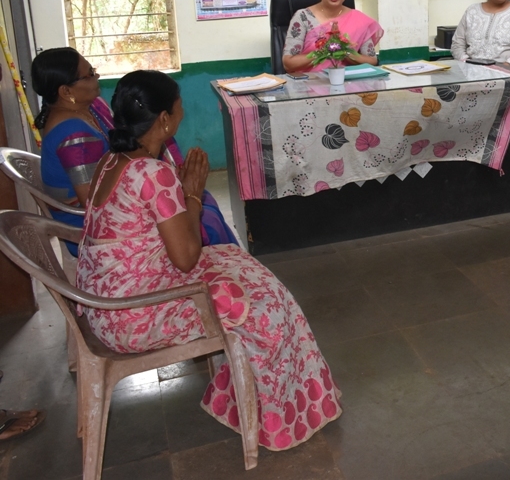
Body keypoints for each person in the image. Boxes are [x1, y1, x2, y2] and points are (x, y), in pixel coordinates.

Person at [77, 70, 341, 451]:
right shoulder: (151, 172)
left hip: (102, 306)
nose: (182, 112)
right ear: (164, 119)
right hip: (133, 316)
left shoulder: (111, 160)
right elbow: (186, 257)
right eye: (179, 107)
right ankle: (280, 417)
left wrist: (178, 190)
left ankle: (242, 397)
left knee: (236, 261)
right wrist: (192, 193)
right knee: (267, 307)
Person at [31, 48, 237, 255]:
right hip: (94, 230)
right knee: (204, 218)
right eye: (90, 74)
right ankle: (219, 264)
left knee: (202, 200)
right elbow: (93, 203)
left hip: (116, 204)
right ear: (66, 91)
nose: (97, 76)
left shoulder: (89, 109)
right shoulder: (72, 135)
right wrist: (179, 196)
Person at [282, 0, 384, 74]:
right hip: (311, 81)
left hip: (348, 81)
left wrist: (343, 51)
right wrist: (326, 49)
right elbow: (289, 64)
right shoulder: (303, 17)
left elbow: (372, 61)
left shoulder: (358, 20)